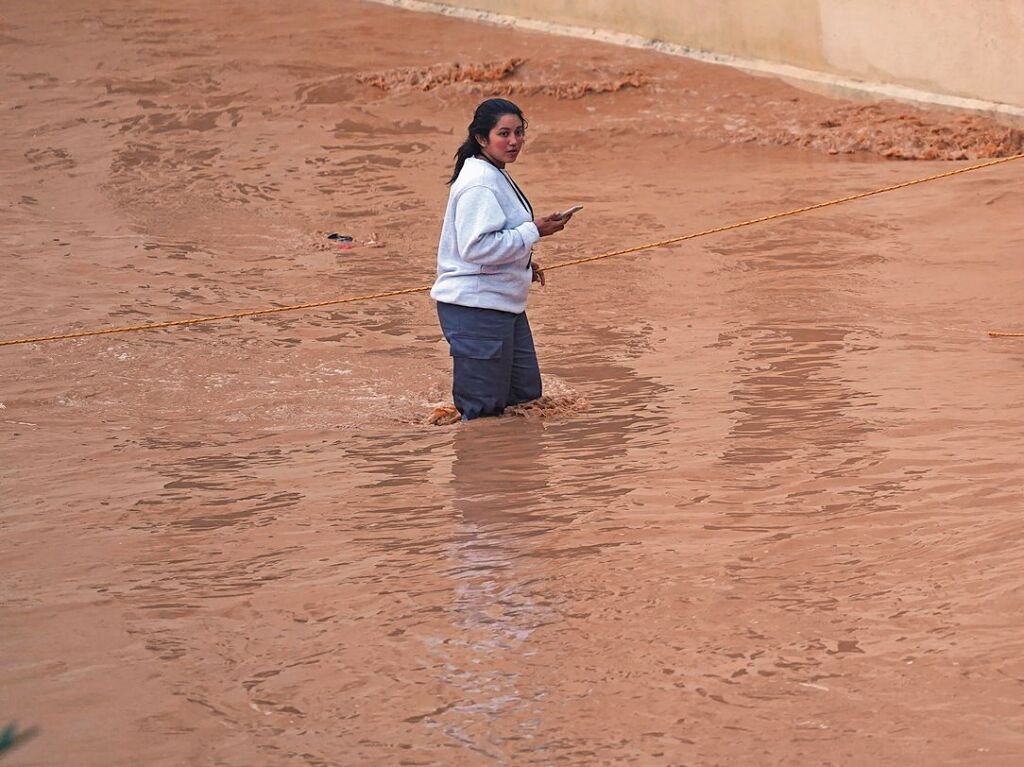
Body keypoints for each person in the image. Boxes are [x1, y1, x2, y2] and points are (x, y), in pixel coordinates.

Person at [430, 98, 577, 422]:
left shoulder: (492, 172)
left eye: (519, 132)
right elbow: (477, 248)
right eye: (504, 134)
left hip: (502, 306)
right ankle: (481, 466)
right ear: (482, 139)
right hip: (476, 309)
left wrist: (521, 261)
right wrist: (533, 231)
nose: (514, 142)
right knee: (482, 413)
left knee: (525, 398)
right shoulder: (480, 182)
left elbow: (491, 241)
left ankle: (515, 466)